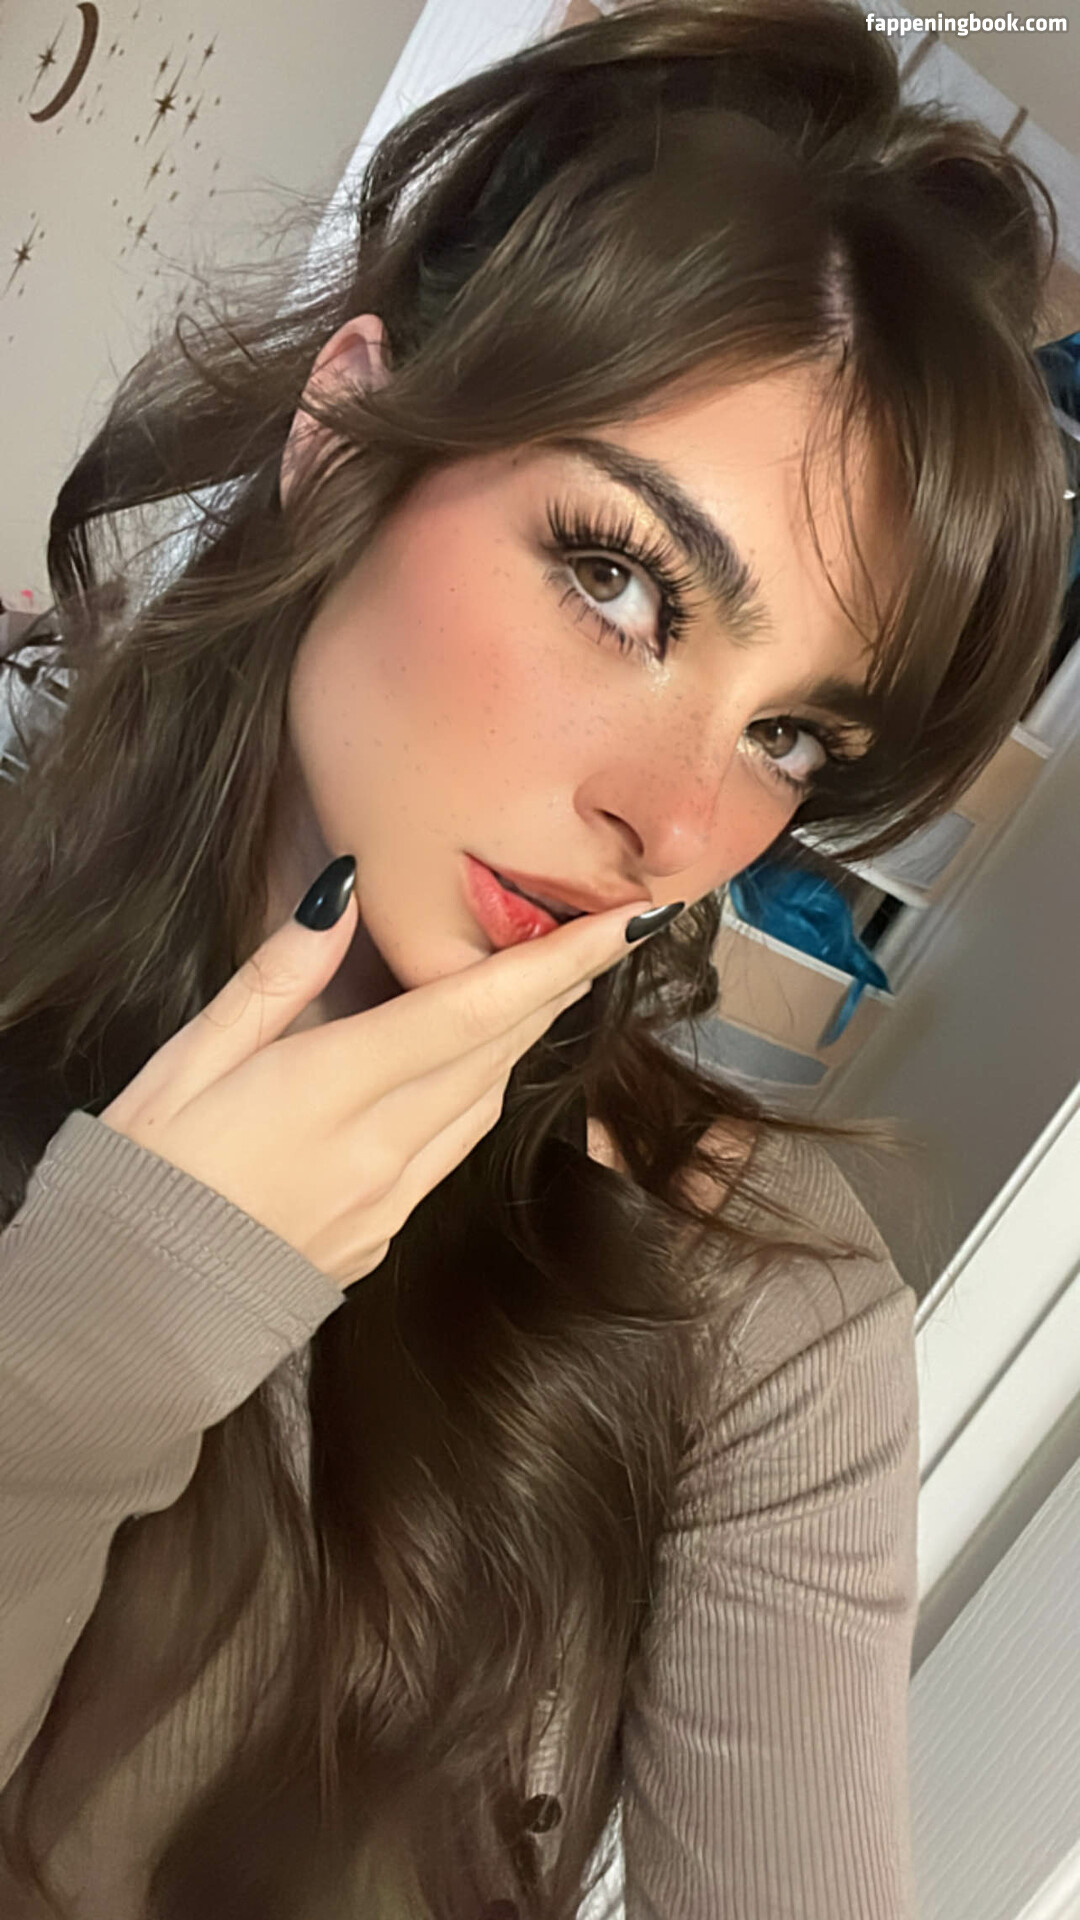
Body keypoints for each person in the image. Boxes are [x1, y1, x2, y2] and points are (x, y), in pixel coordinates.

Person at [0, 1, 1068, 1915]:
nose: (676, 822)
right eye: (619, 580)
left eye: (788, 735)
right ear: (343, 439)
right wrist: (83, 1364)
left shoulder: (759, 1317)